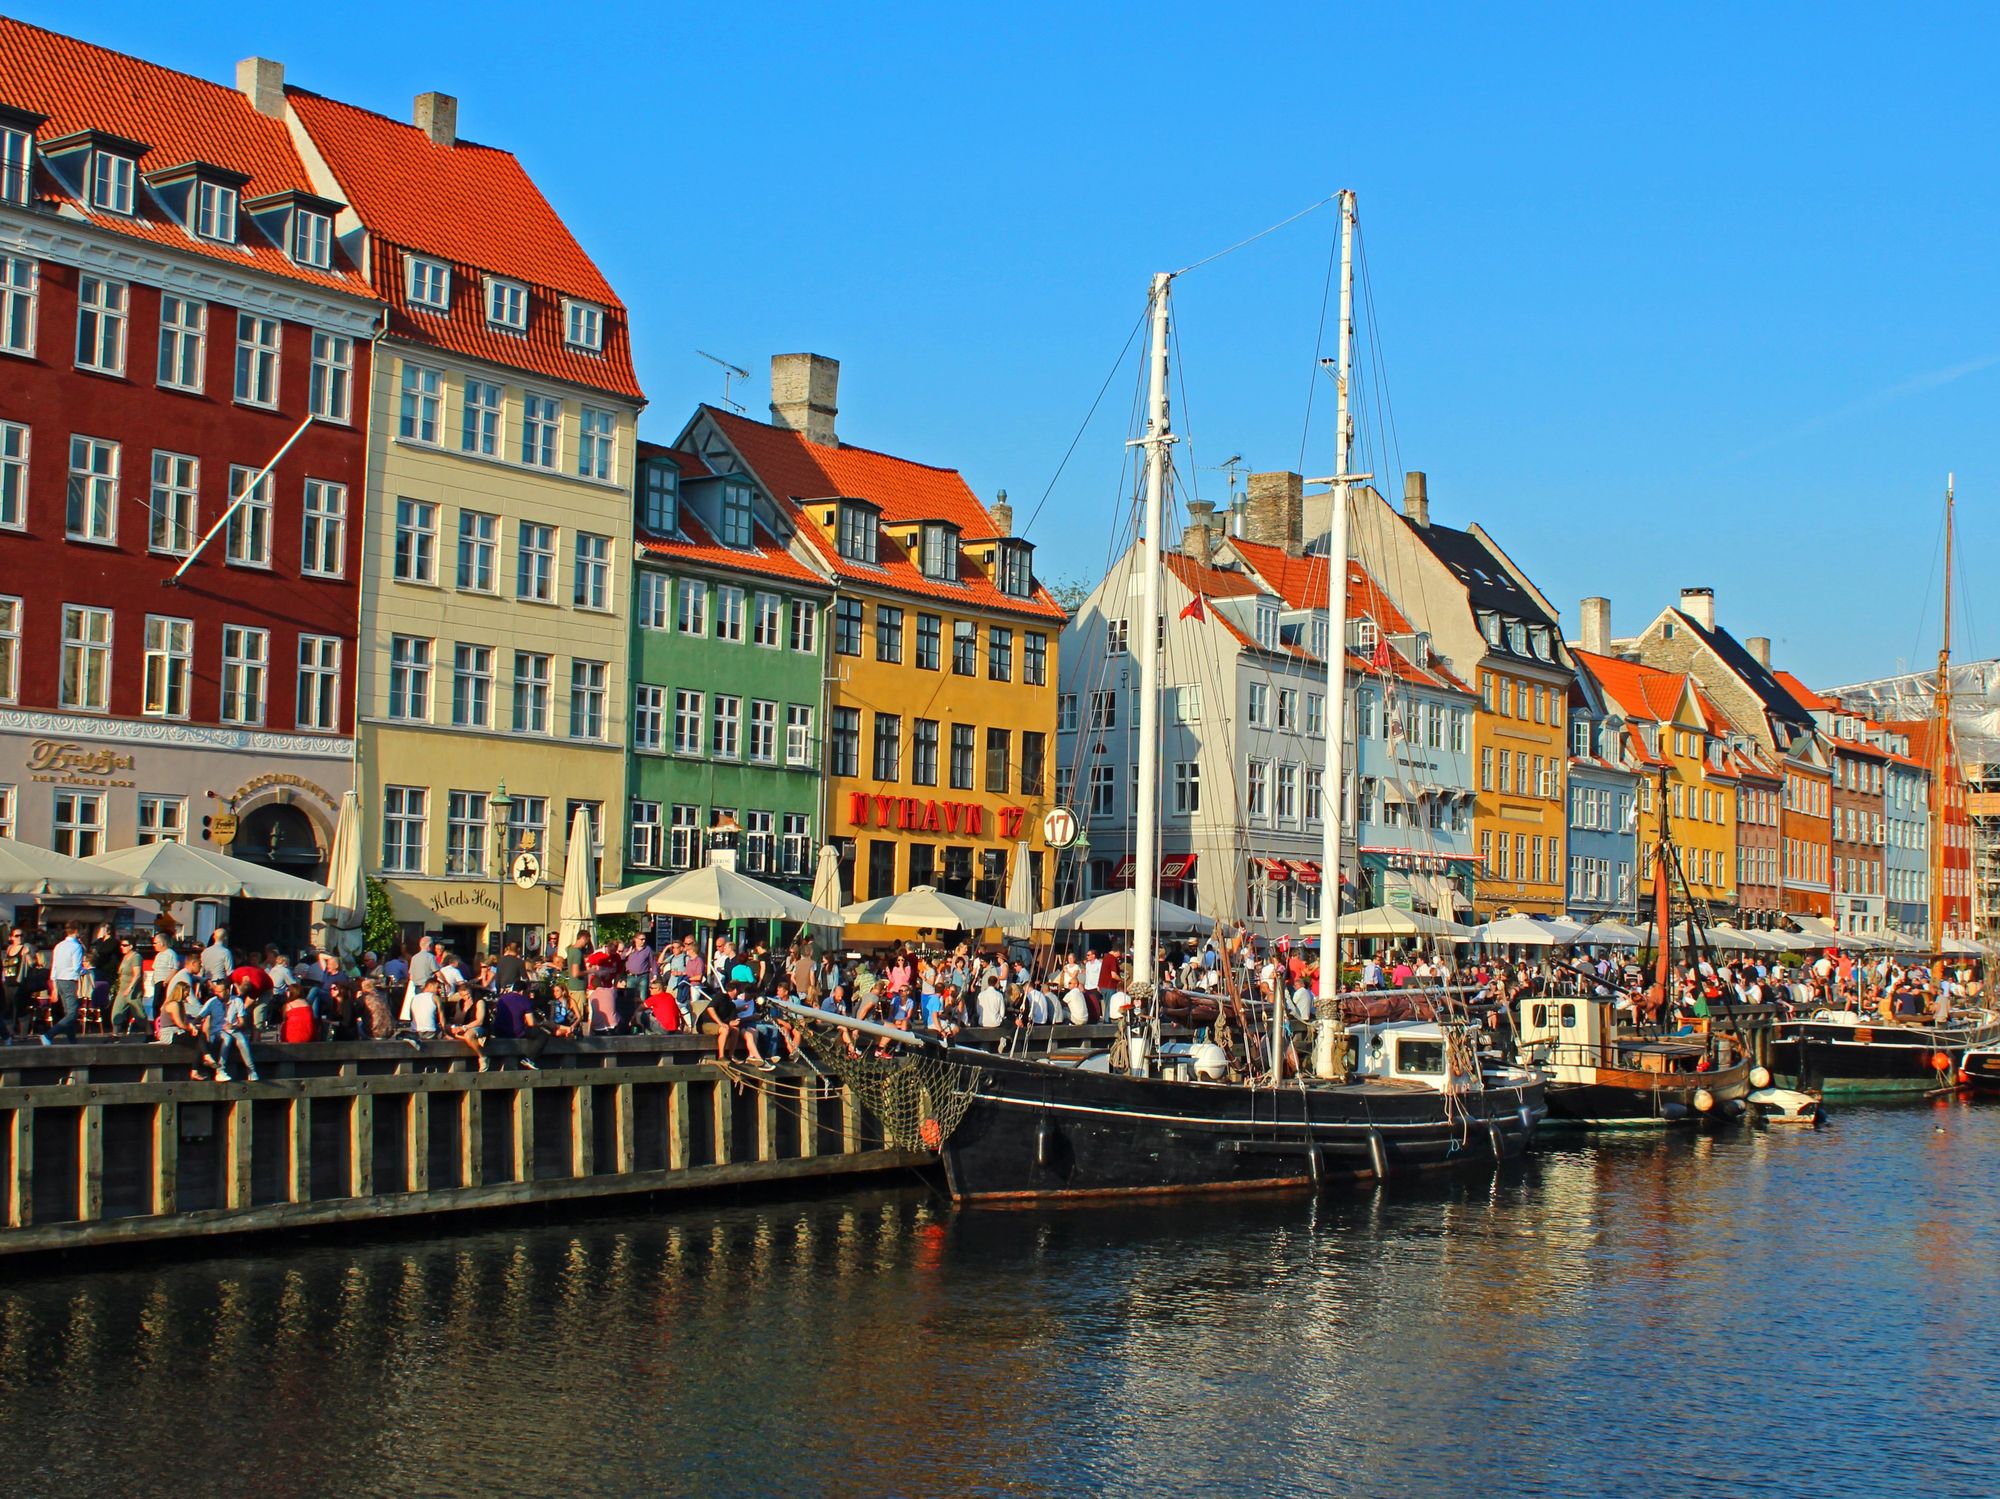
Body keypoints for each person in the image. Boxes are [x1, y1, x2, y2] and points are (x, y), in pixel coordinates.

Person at [42, 922, 88, 1043]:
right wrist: (87, 971)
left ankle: (72, 1040)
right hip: (70, 980)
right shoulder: (76, 946)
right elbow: (77, 967)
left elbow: (54, 967)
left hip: (60, 980)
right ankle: (49, 1035)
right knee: (72, 1014)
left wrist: (55, 986)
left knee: (68, 1012)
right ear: (77, 931)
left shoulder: (59, 946)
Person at [447, 983, 490, 1071]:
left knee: (468, 1035)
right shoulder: (461, 1002)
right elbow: (458, 1020)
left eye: (468, 994)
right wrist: (465, 1010)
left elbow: (480, 1021)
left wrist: (464, 1028)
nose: (467, 997)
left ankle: (483, 1057)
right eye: (464, 995)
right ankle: (475, 1041)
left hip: (479, 1027)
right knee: (447, 1029)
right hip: (465, 1026)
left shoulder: (479, 1001)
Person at [109, 935, 145, 1036]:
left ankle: (149, 1032)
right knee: (116, 1012)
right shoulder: (125, 957)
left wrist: (130, 988)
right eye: (121, 945)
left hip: (133, 991)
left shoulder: (136, 957)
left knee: (140, 1016)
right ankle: (115, 1035)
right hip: (122, 989)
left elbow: (137, 974)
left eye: (125, 945)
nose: (122, 947)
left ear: (131, 946)